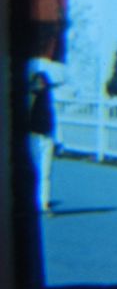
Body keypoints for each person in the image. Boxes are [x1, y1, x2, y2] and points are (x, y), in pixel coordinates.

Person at [29, 71, 57, 214]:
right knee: (33, 170)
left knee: (46, 172)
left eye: (43, 83)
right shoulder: (30, 97)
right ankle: (32, 201)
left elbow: (53, 117)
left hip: (47, 137)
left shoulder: (48, 97)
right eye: (38, 82)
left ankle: (44, 202)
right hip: (33, 136)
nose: (41, 85)